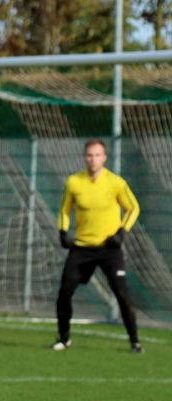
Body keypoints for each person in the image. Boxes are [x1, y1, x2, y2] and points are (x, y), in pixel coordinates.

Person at [54, 139, 143, 354]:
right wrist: (63, 232)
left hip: (108, 249)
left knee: (122, 294)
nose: (93, 159)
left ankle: (135, 342)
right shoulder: (74, 182)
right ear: (84, 157)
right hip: (82, 248)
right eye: (89, 155)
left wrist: (121, 233)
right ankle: (64, 338)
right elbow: (65, 210)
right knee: (64, 293)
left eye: (97, 155)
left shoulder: (116, 183)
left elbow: (133, 208)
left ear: (104, 158)